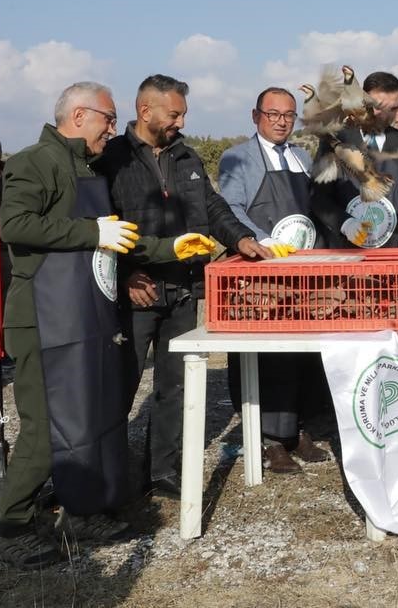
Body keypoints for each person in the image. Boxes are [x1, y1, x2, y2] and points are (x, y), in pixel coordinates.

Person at [0, 81, 215, 568]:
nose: (113, 129)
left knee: (86, 421)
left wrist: (167, 249)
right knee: (46, 429)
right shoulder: (34, 162)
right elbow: (16, 224)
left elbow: (113, 240)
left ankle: (83, 510)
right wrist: (91, 230)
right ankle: (11, 529)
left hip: (81, 315)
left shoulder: (85, 166)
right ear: (78, 116)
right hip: (41, 320)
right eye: (108, 119)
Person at [96, 75, 273, 500]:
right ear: (146, 111)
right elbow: (99, 225)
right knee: (119, 387)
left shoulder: (186, 156)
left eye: (182, 114)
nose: (180, 121)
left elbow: (212, 207)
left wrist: (240, 239)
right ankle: (108, 478)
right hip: (135, 293)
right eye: (174, 114)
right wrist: (125, 274)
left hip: (182, 291)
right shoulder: (111, 161)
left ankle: (164, 472)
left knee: (174, 387)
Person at [218, 87, 334, 474]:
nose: (282, 121)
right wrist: (262, 241)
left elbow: (316, 206)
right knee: (270, 356)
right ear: (256, 117)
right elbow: (230, 208)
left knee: (305, 355)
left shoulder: (301, 157)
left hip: (303, 273)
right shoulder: (238, 157)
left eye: (288, 115)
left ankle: (298, 429)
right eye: (273, 114)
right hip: (264, 273)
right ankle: (271, 440)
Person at [311, 71, 398, 249]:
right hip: (347, 254)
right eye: (378, 106)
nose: (383, 115)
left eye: (393, 108)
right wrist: (344, 223)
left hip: (395, 256)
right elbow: (318, 196)